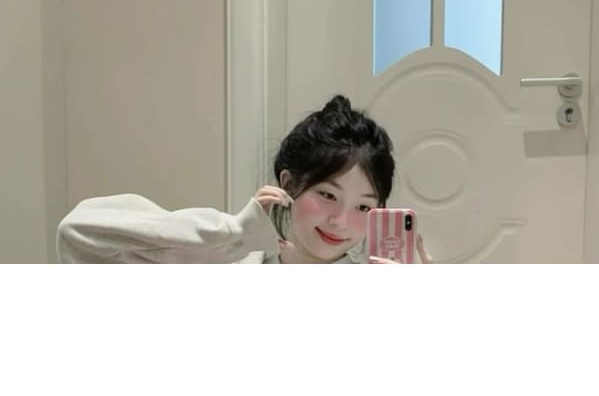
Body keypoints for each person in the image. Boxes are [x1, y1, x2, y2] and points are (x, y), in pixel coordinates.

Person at [56, 94, 433, 264]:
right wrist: (233, 234)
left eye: (363, 207)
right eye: (327, 195)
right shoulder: (232, 260)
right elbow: (77, 235)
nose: (340, 221)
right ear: (288, 185)